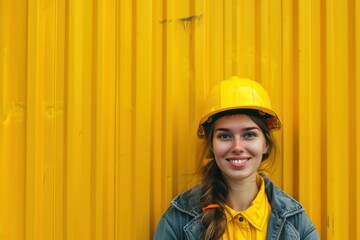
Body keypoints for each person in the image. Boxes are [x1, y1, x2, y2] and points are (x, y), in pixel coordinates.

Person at [154, 77, 319, 239]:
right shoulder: (177, 220)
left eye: (249, 135)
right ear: (211, 145)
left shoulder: (296, 224)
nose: (237, 147)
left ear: (265, 144)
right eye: (225, 136)